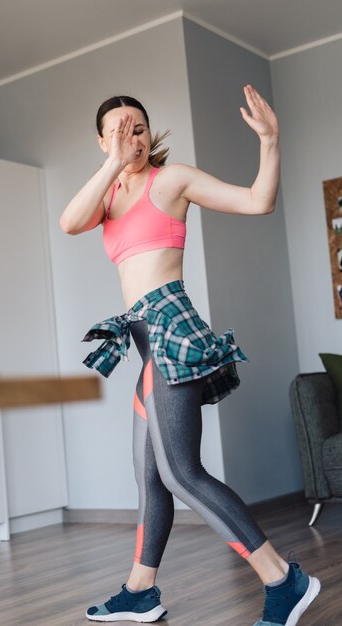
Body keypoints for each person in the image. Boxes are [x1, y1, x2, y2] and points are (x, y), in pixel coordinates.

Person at [60, 87, 320, 625]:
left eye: (137, 127)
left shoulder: (171, 179)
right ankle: (141, 590)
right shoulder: (108, 195)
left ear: (149, 135)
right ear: (101, 139)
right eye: (116, 128)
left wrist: (270, 142)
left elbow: (257, 200)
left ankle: (283, 578)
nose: (129, 136)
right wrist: (111, 164)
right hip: (141, 341)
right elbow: (70, 222)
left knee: (181, 472)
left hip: (170, 331)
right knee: (151, 477)